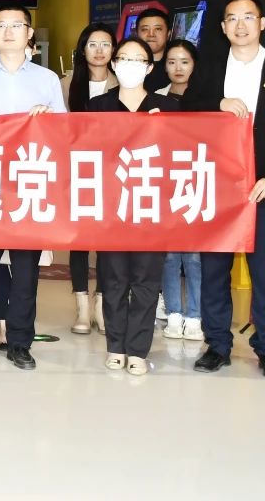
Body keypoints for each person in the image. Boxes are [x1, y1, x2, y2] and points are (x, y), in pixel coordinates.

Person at [184, 0, 265, 382]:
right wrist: (217, 102)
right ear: (223, 27)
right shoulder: (210, 71)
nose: (241, 24)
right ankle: (217, 345)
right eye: (232, 18)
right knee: (214, 271)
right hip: (217, 189)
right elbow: (187, 110)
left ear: (262, 24)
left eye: (249, 17)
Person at [0, 4, 66, 371]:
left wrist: (47, 121)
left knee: (25, 272)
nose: (6, 32)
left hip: (28, 184)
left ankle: (20, 342)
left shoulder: (47, 80)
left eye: (15, 25)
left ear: (29, 33)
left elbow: (64, 132)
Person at [87, 36, 180, 375]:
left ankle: (138, 349)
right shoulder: (98, 106)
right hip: (111, 207)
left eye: (138, 59)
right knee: (113, 279)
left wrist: (161, 130)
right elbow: (84, 150)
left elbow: (180, 153)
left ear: (150, 67)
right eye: (123, 58)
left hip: (150, 207)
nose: (129, 65)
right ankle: (115, 345)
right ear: (113, 64)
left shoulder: (167, 108)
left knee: (146, 279)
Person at [61, 22, 118, 335]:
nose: (99, 50)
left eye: (105, 44)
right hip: (78, 171)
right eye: (92, 44)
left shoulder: (123, 83)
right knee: (80, 241)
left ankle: (102, 304)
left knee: (108, 243)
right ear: (82, 49)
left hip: (114, 172)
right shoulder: (66, 84)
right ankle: (82, 307)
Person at [155, 38, 203, 340]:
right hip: (164, 184)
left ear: (194, 65)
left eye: (184, 61)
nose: (178, 68)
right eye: (172, 62)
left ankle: (195, 316)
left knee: (195, 257)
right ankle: (173, 313)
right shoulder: (157, 98)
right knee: (170, 256)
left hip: (198, 181)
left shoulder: (208, 97)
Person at [136, 7, 172, 92]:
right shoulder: (126, 64)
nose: (151, 34)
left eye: (158, 29)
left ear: (168, 34)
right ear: (137, 34)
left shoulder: (176, 65)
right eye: (145, 29)